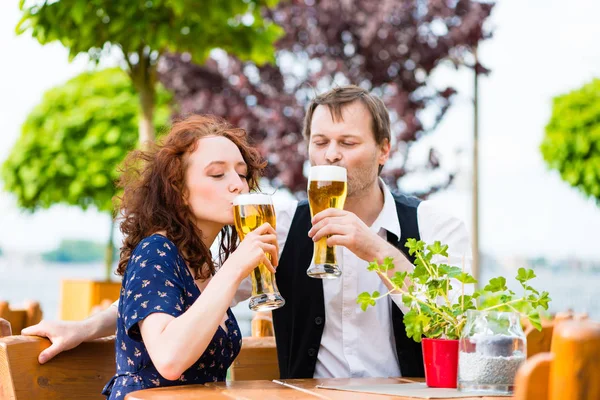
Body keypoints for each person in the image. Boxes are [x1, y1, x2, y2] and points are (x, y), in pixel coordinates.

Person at [24, 86, 471, 380]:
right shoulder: (280, 229)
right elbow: (183, 298)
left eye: (348, 143)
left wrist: (373, 247)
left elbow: (456, 320)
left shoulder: (434, 227)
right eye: (320, 142)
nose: (331, 155)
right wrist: (87, 325)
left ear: (383, 151)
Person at [74, 115, 278, 398]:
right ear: (178, 190)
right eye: (218, 174)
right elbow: (169, 359)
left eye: (242, 174)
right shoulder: (156, 251)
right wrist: (235, 268)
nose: (238, 186)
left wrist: (85, 327)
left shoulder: (199, 263)